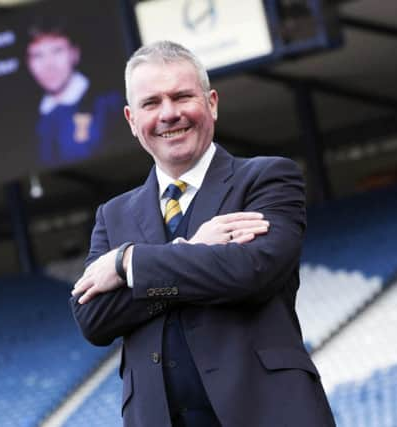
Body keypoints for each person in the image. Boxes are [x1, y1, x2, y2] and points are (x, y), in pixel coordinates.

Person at [70, 40, 335, 427]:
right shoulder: (113, 215)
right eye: (151, 103)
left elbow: (251, 272)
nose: (169, 114)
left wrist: (129, 263)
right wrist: (192, 250)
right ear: (131, 119)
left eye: (181, 97)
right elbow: (92, 317)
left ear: (211, 102)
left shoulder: (266, 178)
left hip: (268, 413)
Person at [26, 19, 121, 166]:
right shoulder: (28, 118)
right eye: (38, 55)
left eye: (57, 51)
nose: (48, 64)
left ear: (74, 54)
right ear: (28, 63)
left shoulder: (109, 102)